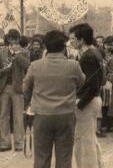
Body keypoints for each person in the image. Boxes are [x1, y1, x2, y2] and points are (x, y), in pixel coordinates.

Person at [23, 30, 85, 168]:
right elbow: (82, 83)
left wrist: (27, 107)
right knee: (64, 157)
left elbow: (25, 90)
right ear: (64, 47)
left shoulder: (35, 66)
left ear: (45, 47)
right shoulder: (73, 65)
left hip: (42, 116)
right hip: (66, 115)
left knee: (41, 158)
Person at [69, 23, 105, 168]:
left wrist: (79, 104)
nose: (70, 42)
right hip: (93, 100)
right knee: (90, 138)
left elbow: (92, 85)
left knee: (83, 142)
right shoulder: (94, 52)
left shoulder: (88, 56)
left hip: (87, 102)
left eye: (72, 39)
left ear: (81, 39)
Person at [0, 29, 30, 152]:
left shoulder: (24, 52)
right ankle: (4, 143)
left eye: (16, 40)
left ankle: (19, 143)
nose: (13, 42)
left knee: (18, 116)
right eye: (11, 40)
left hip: (18, 88)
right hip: (4, 87)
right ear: (8, 40)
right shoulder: (1, 52)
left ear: (18, 40)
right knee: (3, 116)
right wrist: (6, 69)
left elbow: (27, 66)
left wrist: (17, 55)